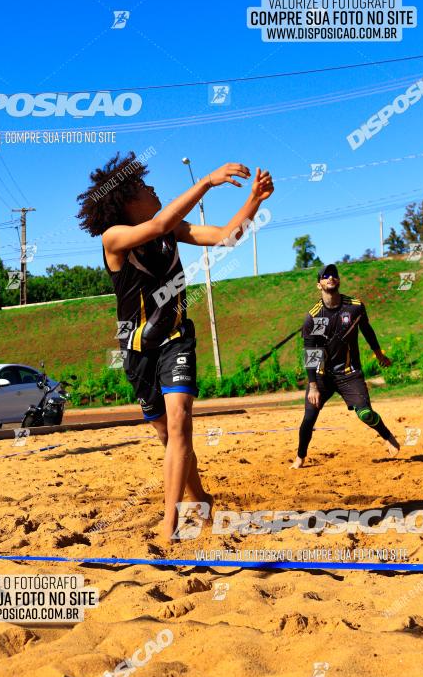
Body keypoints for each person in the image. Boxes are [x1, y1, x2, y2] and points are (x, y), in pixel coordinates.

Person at [77, 152, 274, 540]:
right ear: (125, 200)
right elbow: (161, 221)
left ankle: (170, 525)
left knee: (181, 422)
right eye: (144, 187)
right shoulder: (114, 237)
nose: (153, 188)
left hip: (176, 338)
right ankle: (201, 499)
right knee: (170, 438)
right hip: (137, 349)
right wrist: (206, 180)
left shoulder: (170, 230)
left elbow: (224, 237)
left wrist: (254, 201)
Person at [290, 263, 399, 469]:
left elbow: (367, 330)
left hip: (349, 372)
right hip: (322, 375)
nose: (330, 278)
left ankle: (387, 436)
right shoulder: (313, 316)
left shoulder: (355, 306)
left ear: (338, 281)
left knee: (365, 413)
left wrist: (379, 354)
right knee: (309, 417)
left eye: (334, 275)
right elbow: (311, 353)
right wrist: (313, 386)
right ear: (319, 284)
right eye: (325, 276)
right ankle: (300, 457)